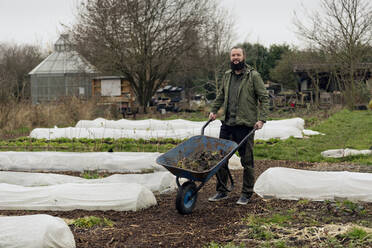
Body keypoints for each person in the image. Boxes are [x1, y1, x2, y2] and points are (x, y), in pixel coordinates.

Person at [208, 46, 269, 205]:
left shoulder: (253, 76)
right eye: (233, 55)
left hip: (246, 125)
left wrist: (261, 119)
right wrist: (214, 111)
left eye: (238, 55)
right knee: (221, 159)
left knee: (247, 161)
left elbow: (264, 98)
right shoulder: (227, 76)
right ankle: (222, 191)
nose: (235, 58)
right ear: (230, 57)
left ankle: (246, 193)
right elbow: (221, 95)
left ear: (243, 57)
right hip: (228, 124)